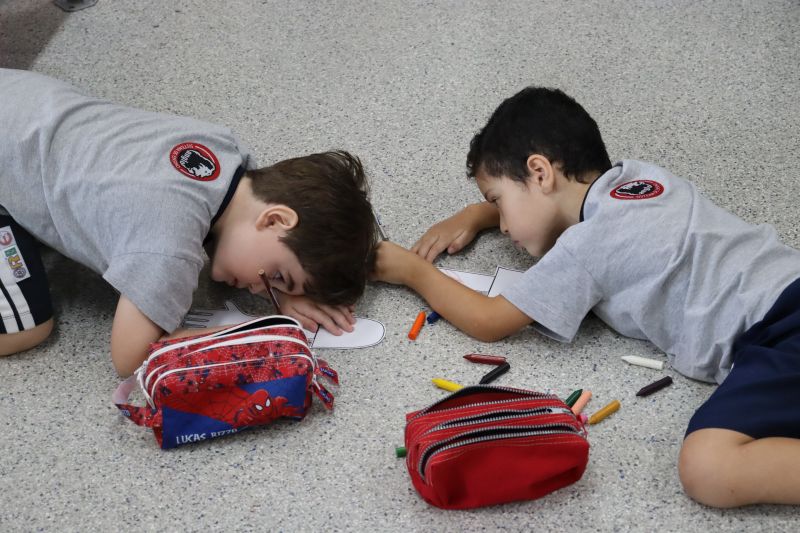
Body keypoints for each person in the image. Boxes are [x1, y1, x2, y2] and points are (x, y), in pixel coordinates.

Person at [372, 86, 800, 508]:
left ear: (540, 172)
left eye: (498, 202)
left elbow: (489, 320)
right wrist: (476, 213)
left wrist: (412, 271)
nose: (502, 225)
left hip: (780, 332)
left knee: (709, 468)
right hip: (786, 287)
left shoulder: (586, 246)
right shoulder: (641, 178)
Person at [0, 68, 377, 377]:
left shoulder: (224, 150)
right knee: (28, 328)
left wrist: (286, 292)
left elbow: (241, 237)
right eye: (276, 277)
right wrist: (257, 333)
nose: (260, 289)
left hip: (21, 97)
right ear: (275, 218)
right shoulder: (168, 244)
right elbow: (130, 357)